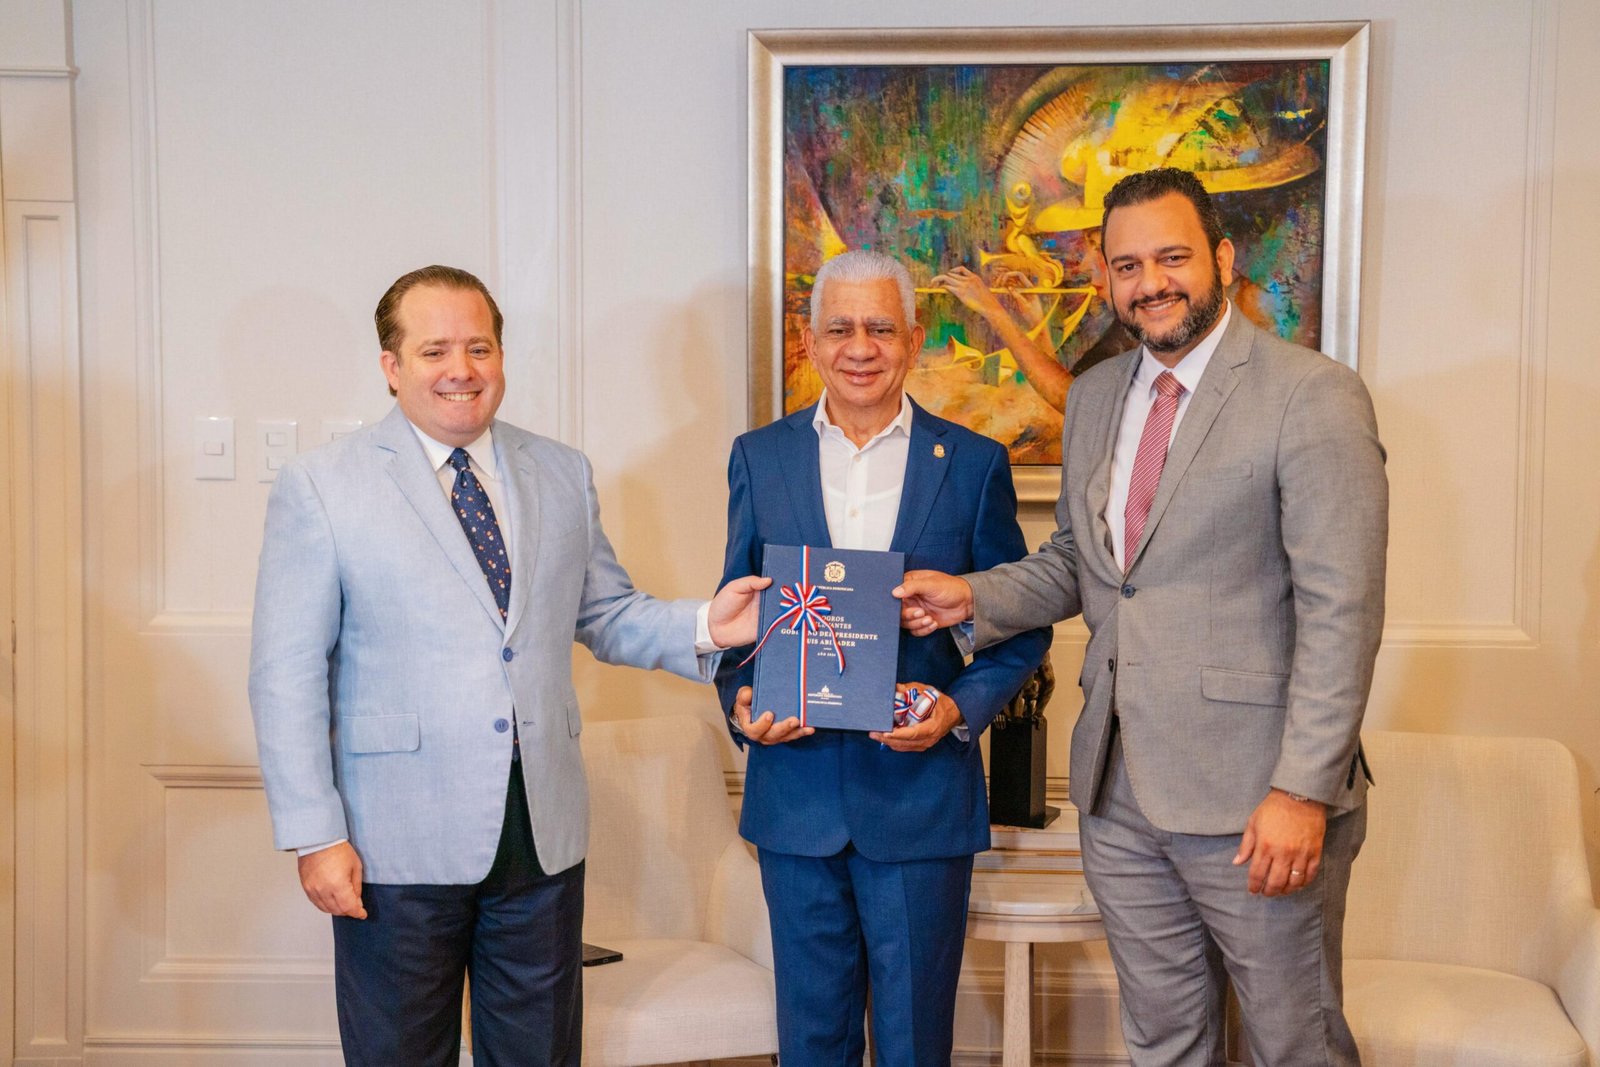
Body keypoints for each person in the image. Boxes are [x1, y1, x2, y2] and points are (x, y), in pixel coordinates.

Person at [897, 167, 1387, 1066]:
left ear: (1222, 259)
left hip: (1259, 798)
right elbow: (1085, 563)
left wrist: (1302, 790)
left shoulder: (1310, 393)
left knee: (1295, 1046)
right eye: (1127, 265)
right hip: (1118, 796)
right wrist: (974, 596)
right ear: (1106, 279)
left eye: (1172, 257)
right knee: (1163, 1043)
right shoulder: (1094, 397)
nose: (1150, 282)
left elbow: (1342, 611)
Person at [248, 265, 767, 1067]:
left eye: (479, 347)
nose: (461, 368)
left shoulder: (561, 471)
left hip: (540, 838)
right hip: (393, 842)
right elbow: (285, 675)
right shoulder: (321, 485)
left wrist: (709, 623)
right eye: (434, 350)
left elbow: (606, 613)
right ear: (391, 366)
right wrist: (316, 833)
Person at [716, 250, 1050, 1066]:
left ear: (914, 336)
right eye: (839, 329)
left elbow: (1023, 622)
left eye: (879, 327)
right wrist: (740, 699)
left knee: (913, 1046)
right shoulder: (760, 456)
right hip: (796, 803)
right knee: (811, 1046)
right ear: (810, 340)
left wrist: (959, 707)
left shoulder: (972, 464)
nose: (859, 347)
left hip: (919, 802)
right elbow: (736, 613)